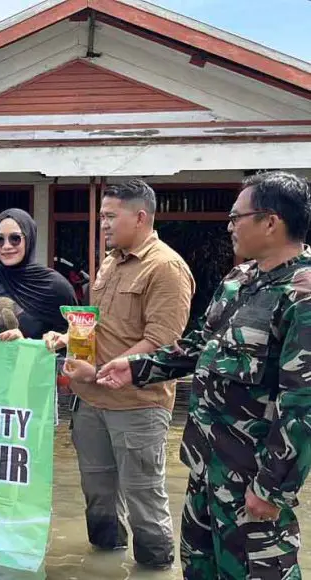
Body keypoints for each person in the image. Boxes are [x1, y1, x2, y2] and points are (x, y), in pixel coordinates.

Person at [94, 172, 311, 579]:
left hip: (253, 483)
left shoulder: (303, 294)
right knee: (197, 570)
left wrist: (272, 489)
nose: (229, 226)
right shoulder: (238, 281)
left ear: (270, 222)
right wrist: (137, 367)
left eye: (236, 217)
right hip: (205, 469)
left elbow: (302, 405)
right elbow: (199, 346)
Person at [47, 179, 194, 570]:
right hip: (91, 401)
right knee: (98, 498)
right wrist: (68, 339)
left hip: (137, 406)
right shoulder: (111, 261)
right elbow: (100, 325)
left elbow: (161, 343)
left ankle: (154, 569)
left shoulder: (166, 268)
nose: (104, 224)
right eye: (102, 217)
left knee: (144, 499)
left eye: (111, 216)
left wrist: (99, 370)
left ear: (140, 217)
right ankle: (103, 567)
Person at [0, 209, 76, 341]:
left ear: (29, 239)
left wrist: (26, 343)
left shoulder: (55, 287)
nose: (6, 246)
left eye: (15, 238)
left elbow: (73, 340)